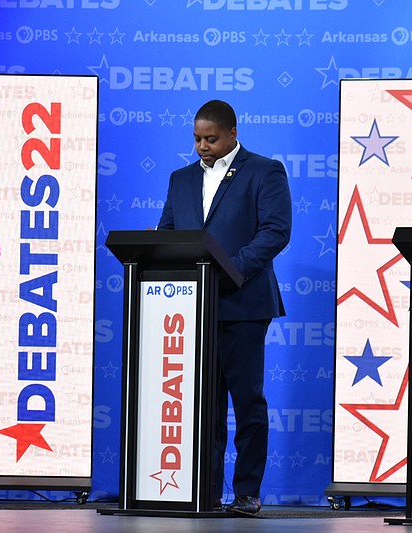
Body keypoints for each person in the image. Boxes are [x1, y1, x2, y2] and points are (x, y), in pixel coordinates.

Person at [157, 100, 292, 514]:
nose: (202, 146)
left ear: (232, 133)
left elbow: (275, 231)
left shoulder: (264, 170)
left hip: (243, 303)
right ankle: (205, 493)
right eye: (197, 139)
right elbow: (168, 232)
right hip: (192, 308)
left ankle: (247, 493)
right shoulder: (180, 179)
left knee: (247, 401)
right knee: (203, 406)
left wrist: (230, 270)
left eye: (211, 138)